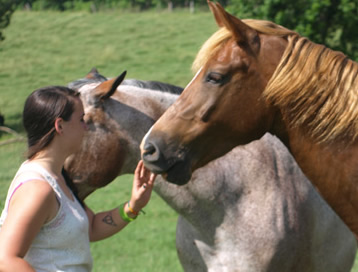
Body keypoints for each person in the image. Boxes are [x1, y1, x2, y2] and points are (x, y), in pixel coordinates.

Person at [0, 86, 156, 271]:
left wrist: (132, 206)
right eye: (81, 119)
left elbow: (91, 227)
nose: (86, 127)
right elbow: (6, 259)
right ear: (60, 126)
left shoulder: (58, 176)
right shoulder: (37, 189)